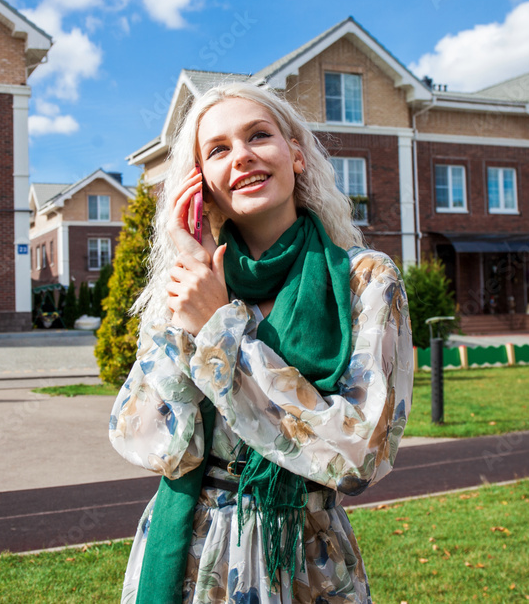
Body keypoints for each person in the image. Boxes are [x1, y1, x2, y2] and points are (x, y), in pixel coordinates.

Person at [109, 81, 413, 603]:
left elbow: (360, 454)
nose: (243, 157)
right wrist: (193, 279)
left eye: (258, 136)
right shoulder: (188, 287)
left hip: (302, 556)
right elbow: (146, 440)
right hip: (189, 553)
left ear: (295, 155)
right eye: (219, 149)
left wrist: (220, 331)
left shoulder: (364, 280)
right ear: (200, 182)